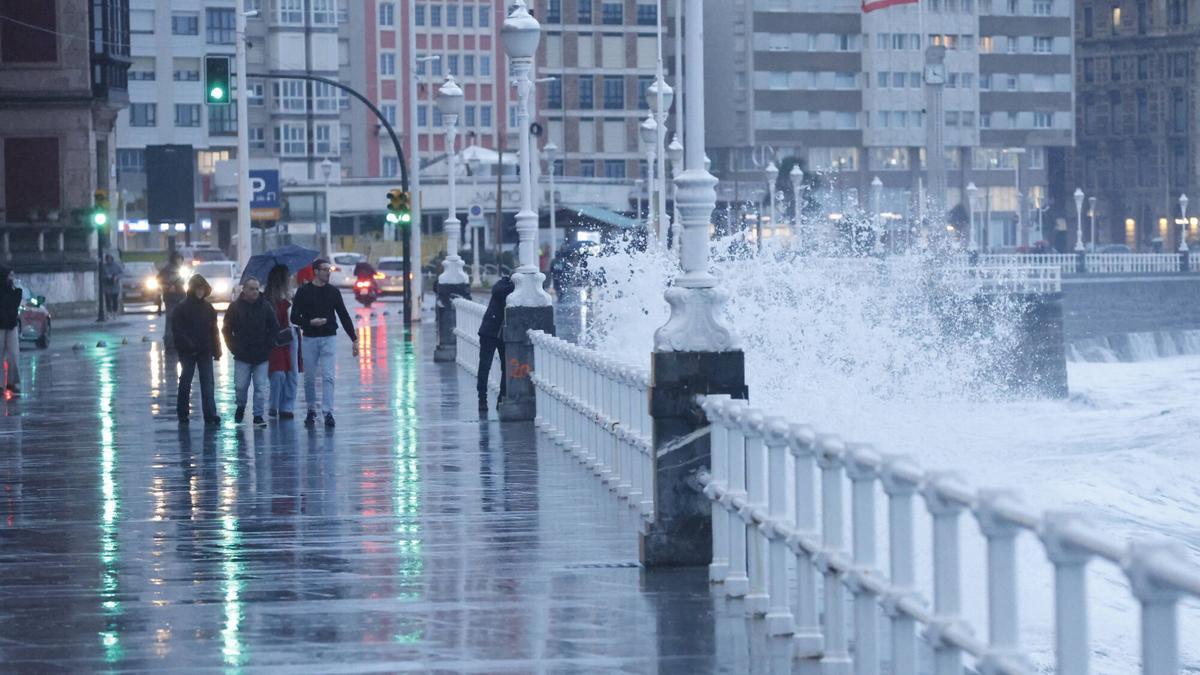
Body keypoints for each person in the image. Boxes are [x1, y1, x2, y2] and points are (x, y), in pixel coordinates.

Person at [290, 258, 358, 428]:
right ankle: (311, 409)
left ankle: (328, 412)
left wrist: (354, 339)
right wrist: (309, 323)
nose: (328, 272)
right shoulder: (303, 292)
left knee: (328, 376)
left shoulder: (333, 292)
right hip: (309, 339)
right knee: (309, 378)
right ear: (315, 271)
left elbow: (343, 315)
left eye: (329, 269)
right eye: (324, 269)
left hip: (329, 337)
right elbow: (294, 317)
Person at [222, 277, 279, 426]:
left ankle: (258, 415)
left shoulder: (265, 306)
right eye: (251, 289)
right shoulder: (235, 308)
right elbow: (226, 330)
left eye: (256, 288)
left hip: (261, 355)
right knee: (240, 386)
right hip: (242, 355)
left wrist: (269, 345)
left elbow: (274, 327)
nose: (255, 292)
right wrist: (233, 347)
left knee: (260, 388)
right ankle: (240, 406)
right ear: (244, 290)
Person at [172, 274, 221, 425]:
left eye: (202, 289)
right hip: (188, 352)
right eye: (198, 289)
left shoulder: (208, 308)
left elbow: (214, 330)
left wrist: (217, 349)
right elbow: (178, 331)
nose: (200, 292)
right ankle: (183, 413)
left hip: (204, 350)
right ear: (193, 289)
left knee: (207, 383)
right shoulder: (181, 308)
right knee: (186, 382)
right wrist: (188, 346)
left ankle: (210, 414)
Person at [265, 264, 300, 420]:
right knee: (278, 373)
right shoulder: (268, 299)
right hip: (276, 339)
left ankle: (287, 407)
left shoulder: (290, 296)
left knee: (292, 373)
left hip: (292, 336)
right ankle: (274, 404)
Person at [477, 273, 514, 412]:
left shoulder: (507, 288)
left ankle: (501, 398)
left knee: (506, 367)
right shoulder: (504, 287)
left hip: (503, 333)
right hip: (490, 332)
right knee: (485, 366)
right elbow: (498, 292)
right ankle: (482, 398)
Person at [0, 266, 22, 396]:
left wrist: (18, 289)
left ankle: (12, 383)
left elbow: (15, 303)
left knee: (14, 354)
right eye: (10, 275)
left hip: (11, 325)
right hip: (0, 325)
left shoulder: (12, 289)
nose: (12, 278)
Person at [159, 252, 187, 345]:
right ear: (174, 259)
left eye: (180, 258)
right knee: (171, 317)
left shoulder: (179, 269)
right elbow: (159, 279)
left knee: (179, 317)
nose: (179, 261)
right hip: (171, 297)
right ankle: (169, 337)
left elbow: (182, 282)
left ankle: (176, 336)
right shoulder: (168, 269)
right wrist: (167, 286)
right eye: (177, 258)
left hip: (180, 296)